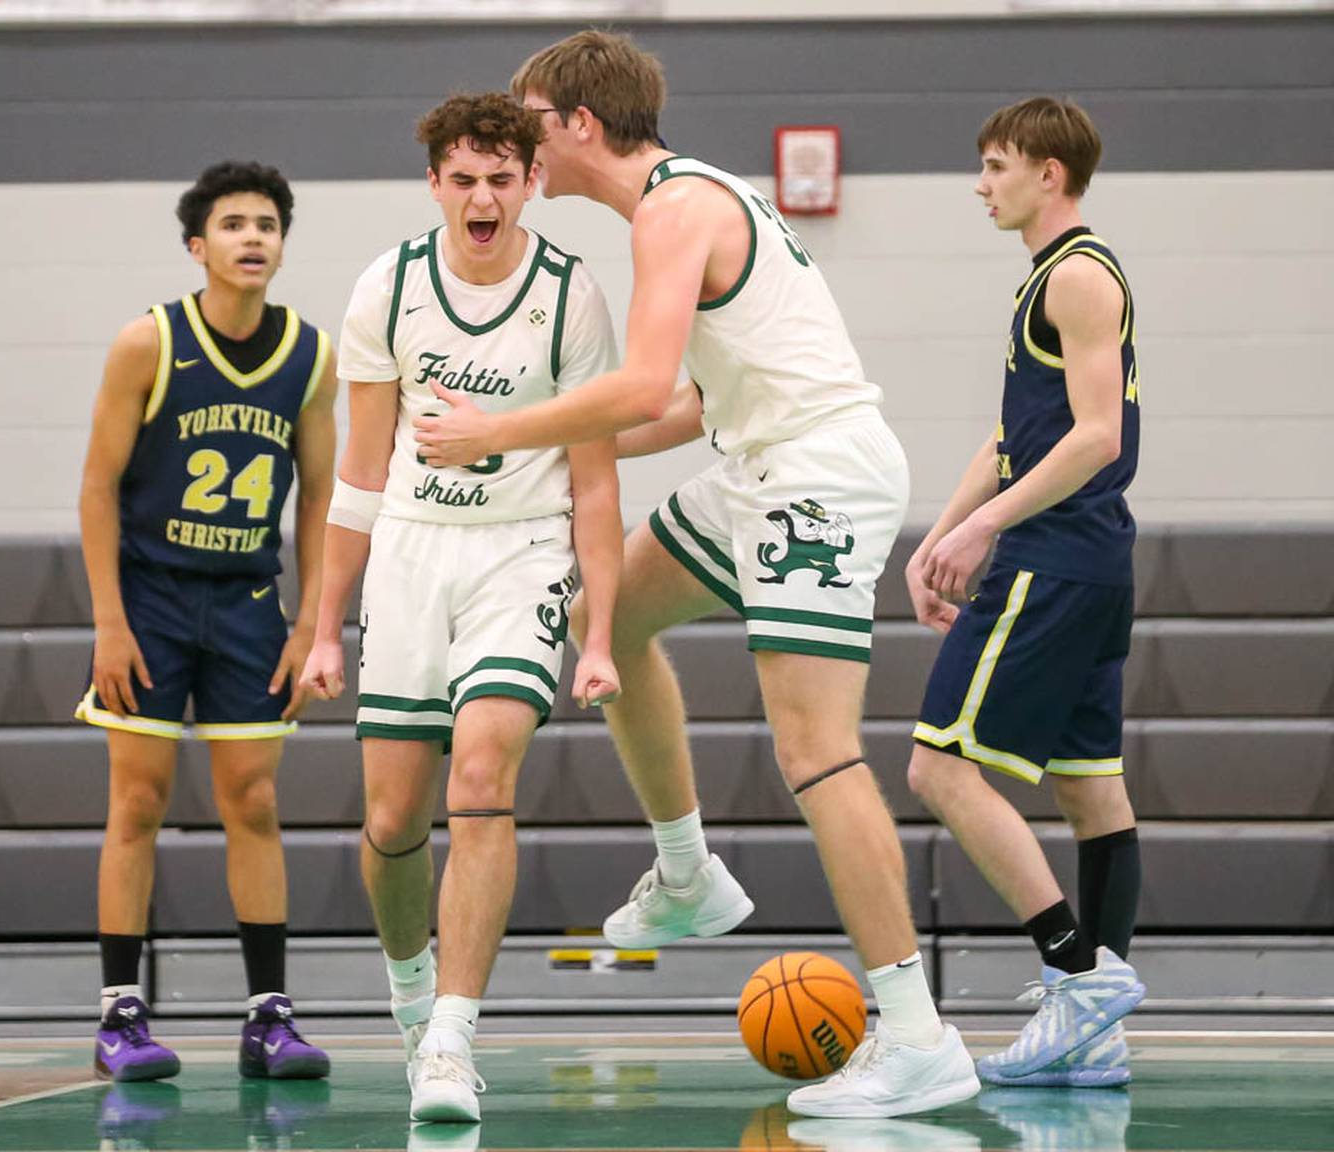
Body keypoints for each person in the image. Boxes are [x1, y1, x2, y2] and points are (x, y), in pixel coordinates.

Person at [414, 32, 980, 1119]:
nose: (521, 140)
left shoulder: (675, 209)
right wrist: (538, 453)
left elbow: (637, 389)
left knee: (816, 752)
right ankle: (686, 873)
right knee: (609, 612)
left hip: (813, 476)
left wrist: (496, 429)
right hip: (758, 464)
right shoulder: (682, 199)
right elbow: (686, 405)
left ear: (578, 124)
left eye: (531, 122)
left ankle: (918, 1036)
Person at [298, 92, 623, 1124]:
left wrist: (601, 633)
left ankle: (452, 1035)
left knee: (482, 776)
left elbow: (597, 481)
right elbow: (359, 472)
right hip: (409, 552)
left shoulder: (570, 295)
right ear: (434, 182)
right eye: (465, 179)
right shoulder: (388, 286)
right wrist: (323, 625)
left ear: (532, 182)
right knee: (392, 820)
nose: (483, 197)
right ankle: (410, 996)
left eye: (502, 178)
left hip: (521, 555)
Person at [76, 160, 336, 1083]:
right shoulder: (146, 343)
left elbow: (321, 498)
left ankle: (269, 1019)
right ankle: (121, 1015)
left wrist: (314, 623)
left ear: (282, 245)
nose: (252, 237)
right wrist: (109, 622)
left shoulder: (310, 354)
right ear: (198, 246)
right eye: (233, 224)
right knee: (138, 802)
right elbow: (97, 487)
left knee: (254, 803)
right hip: (150, 599)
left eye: (267, 224)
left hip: (246, 603)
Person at [904, 97, 1146, 1087]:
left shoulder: (1079, 275)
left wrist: (984, 529)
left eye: (997, 165)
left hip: (1052, 557)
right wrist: (940, 532)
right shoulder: (1051, 279)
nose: (981, 184)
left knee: (938, 770)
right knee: (1091, 790)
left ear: (1050, 173)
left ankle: (1076, 973)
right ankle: (1096, 1034)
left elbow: (1097, 437)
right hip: (1090, 560)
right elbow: (1016, 439)